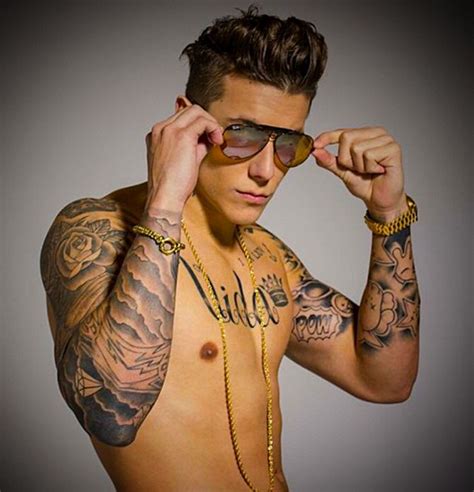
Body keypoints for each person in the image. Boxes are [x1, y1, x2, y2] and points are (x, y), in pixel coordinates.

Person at [39, 5, 421, 491]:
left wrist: (389, 216)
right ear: (187, 120)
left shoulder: (270, 261)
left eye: (287, 145)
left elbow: (386, 381)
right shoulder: (97, 229)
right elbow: (110, 414)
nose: (265, 170)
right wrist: (166, 202)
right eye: (242, 136)